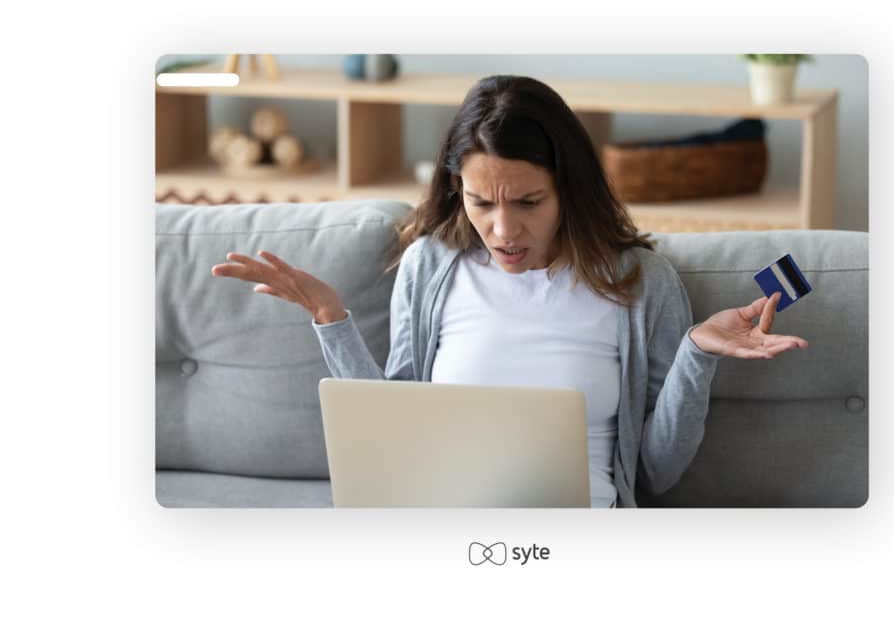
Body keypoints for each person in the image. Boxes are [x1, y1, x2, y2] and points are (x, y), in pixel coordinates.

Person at [211, 75, 808, 508]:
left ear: (568, 189)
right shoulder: (431, 265)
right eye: (480, 202)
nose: (503, 230)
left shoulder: (639, 284)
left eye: (528, 202)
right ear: (457, 192)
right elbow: (394, 436)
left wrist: (696, 356)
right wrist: (330, 318)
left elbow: (657, 472)